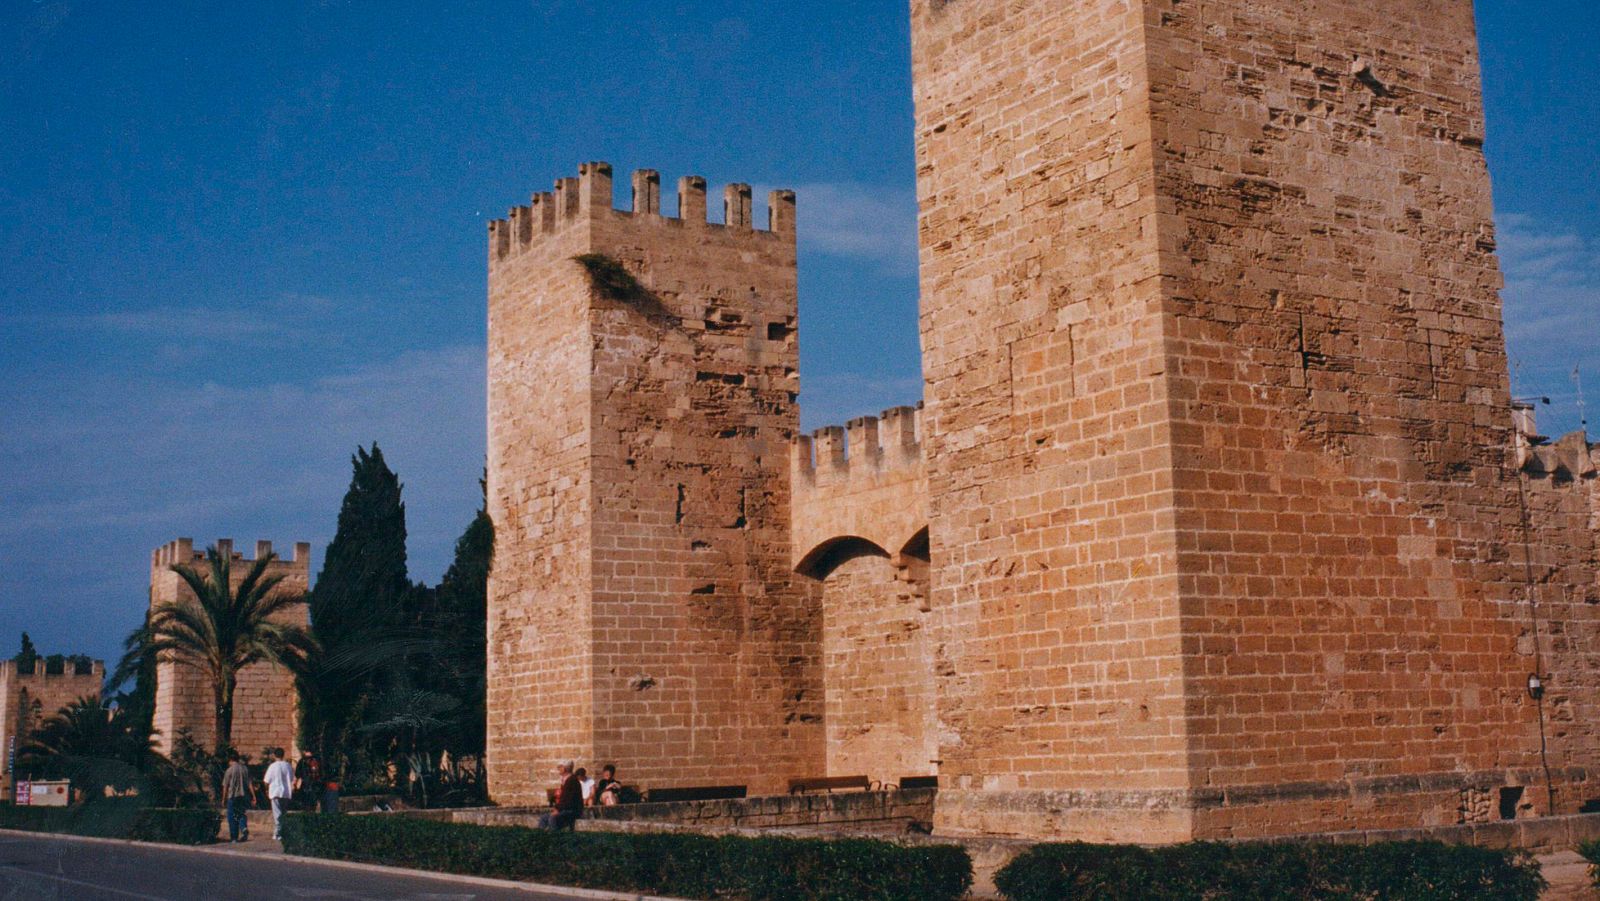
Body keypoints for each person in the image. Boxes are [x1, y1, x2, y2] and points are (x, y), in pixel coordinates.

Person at [221, 752, 257, 842]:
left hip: (233, 796)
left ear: (230, 760)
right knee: (241, 813)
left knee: (232, 817)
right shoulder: (245, 769)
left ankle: (234, 837)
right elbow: (250, 783)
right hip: (243, 795)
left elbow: (225, 786)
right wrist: (253, 796)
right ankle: (243, 827)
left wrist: (223, 799)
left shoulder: (229, 771)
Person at [538, 762, 584, 830]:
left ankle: (557, 838)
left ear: (564, 769)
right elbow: (563, 798)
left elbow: (569, 800)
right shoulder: (566, 780)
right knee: (543, 818)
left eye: (560, 767)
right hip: (565, 809)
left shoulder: (572, 781)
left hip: (572, 810)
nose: (558, 769)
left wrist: (558, 810)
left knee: (552, 818)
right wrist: (557, 808)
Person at [264, 747, 295, 841]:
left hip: (275, 792)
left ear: (274, 755)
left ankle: (277, 834)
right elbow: (291, 778)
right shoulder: (288, 765)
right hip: (285, 792)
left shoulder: (272, 766)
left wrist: (266, 790)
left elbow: (266, 781)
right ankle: (282, 832)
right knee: (283, 813)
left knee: (277, 814)